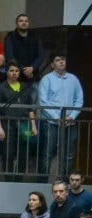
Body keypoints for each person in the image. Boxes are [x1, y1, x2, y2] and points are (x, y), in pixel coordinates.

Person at [37, 53, 84, 182]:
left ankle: (65, 183)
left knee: (68, 154)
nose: (61, 62)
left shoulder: (73, 79)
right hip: (51, 122)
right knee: (48, 154)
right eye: (58, 60)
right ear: (52, 64)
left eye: (63, 59)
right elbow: (43, 102)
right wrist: (56, 117)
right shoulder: (47, 79)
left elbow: (79, 100)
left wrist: (72, 116)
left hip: (70, 122)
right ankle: (42, 182)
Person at [0, 60, 36, 179]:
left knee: (24, 153)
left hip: (24, 124)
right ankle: (8, 179)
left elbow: (30, 108)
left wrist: (33, 125)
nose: (14, 73)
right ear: (6, 72)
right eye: (11, 70)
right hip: (8, 124)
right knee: (8, 153)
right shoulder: (1, 88)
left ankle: (19, 178)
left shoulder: (24, 87)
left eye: (16, 71)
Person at [3, 14, 44, 86]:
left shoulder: (36, 36)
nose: (24, 23)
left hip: (33, 77)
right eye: (21, 21)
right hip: (16, 78)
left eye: (26, 21)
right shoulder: (10, 37)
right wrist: (23, 70)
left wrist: (32, 68)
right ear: (16, 23)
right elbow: (10, 57)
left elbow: (41, 56)